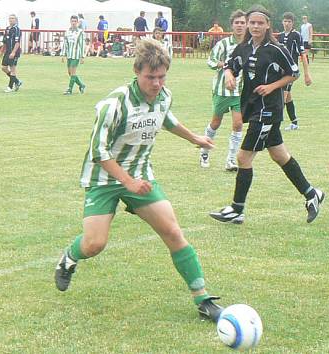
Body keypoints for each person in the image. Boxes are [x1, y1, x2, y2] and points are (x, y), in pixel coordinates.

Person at [53, 38, 224, 322]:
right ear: (136, 71)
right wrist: (127, 182)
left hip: (141, 175)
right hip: (104, 178)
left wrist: (194, 138)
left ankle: (203, 298)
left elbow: (165, 119)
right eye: (150, 77)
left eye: (161, 77)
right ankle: (69, 258)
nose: (156, 83)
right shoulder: (114, 103)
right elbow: (98, 151)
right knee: (94, 244)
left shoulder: (164, 95)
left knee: (172, 231)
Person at [210, 5, 325, 225]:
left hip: (267, 110)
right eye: (251, 22)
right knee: (280, 155)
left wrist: (273, 86)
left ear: (268, 25)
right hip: (253, 108)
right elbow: (230, 65)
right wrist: (228, 74)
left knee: (243, 158)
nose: (255, 26)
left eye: (259, 23)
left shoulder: (276, 48)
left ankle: (237, 209)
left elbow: (294, 73)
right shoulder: (243, 47)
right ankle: (312, 194)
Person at [200, 10, 246, 171]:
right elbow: (211, 61)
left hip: (239, 92)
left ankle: (231, 160)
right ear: (232, 25)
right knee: (215, 122)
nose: (240, 25)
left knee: (238, 124)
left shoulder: (249, 44)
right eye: (237, 23)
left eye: (242, 22)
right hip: (221, 91)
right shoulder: (223, 44)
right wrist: (225, 65)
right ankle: (204, 152)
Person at [279, 12, 312, 131]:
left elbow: (303, 55)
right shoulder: (280, 36)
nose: (287, 23)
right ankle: (294, 122)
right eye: (285, 21)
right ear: (282, 22)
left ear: (292, 23)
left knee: (281, 97)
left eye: (289, 21)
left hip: (291, 72)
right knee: (287, 97)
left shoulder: (296, 35)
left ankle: (274, 125)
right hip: (281, 72)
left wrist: (307, 75)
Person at [62, 15, 86, 95]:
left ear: (77, 22)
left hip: (76, 55)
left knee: (73, 72)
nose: (73, 23)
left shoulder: (80, 32)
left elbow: (82, 44)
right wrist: (63, 54)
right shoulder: (67, 31)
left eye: (75, 21)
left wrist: (82, 56)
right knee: (70, 73)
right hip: (69, 55)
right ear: (70, 21)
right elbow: (65, 43)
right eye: (72, 21)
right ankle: (81, 85)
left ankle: (69, 89)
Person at [2, 14, 22, 93]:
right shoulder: (7, 29)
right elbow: (5, 41)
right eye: (10, 18)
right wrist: (2, 51)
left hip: (14, 52)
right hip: (7, 52)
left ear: (16, 20)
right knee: (3, 68)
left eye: (13, 18)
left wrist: (13, 52)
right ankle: (17, 81)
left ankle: (10, 87)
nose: (11, 20)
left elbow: (17, 42)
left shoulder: (17, 29)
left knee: (12, 68)